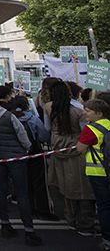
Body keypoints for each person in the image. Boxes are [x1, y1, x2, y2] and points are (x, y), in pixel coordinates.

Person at [0, 89, 42, 246]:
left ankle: (5, 224)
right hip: (15, 156)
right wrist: (27, 149)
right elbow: (22, 135)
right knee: (22, 193)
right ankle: (29, 230)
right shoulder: (8, 115)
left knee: (1, 188)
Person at [43, 78, 95, 236]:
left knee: (64, 185)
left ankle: (70, 218)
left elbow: (46, 128)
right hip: (77, 148)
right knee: (83, 187)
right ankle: (85, 223)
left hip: (57, 147)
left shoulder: (48, 107)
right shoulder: (79, 110)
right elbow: (86, 131)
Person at [76, 99, 110, 251]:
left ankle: (107, 239)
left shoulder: (91, 129)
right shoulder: (108, 124)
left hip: (98, 172)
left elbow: (79, 149)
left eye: (88, 110)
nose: (85, 113)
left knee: (104, 206)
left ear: (99, 113)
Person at [12, 95, 53, 219]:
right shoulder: (33, 119)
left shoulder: (10, 118)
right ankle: (43, 210)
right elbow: (44, 136)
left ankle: (28, 209)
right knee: (40, 182)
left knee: (24, 183)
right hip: (35, 152)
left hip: (17, 154)